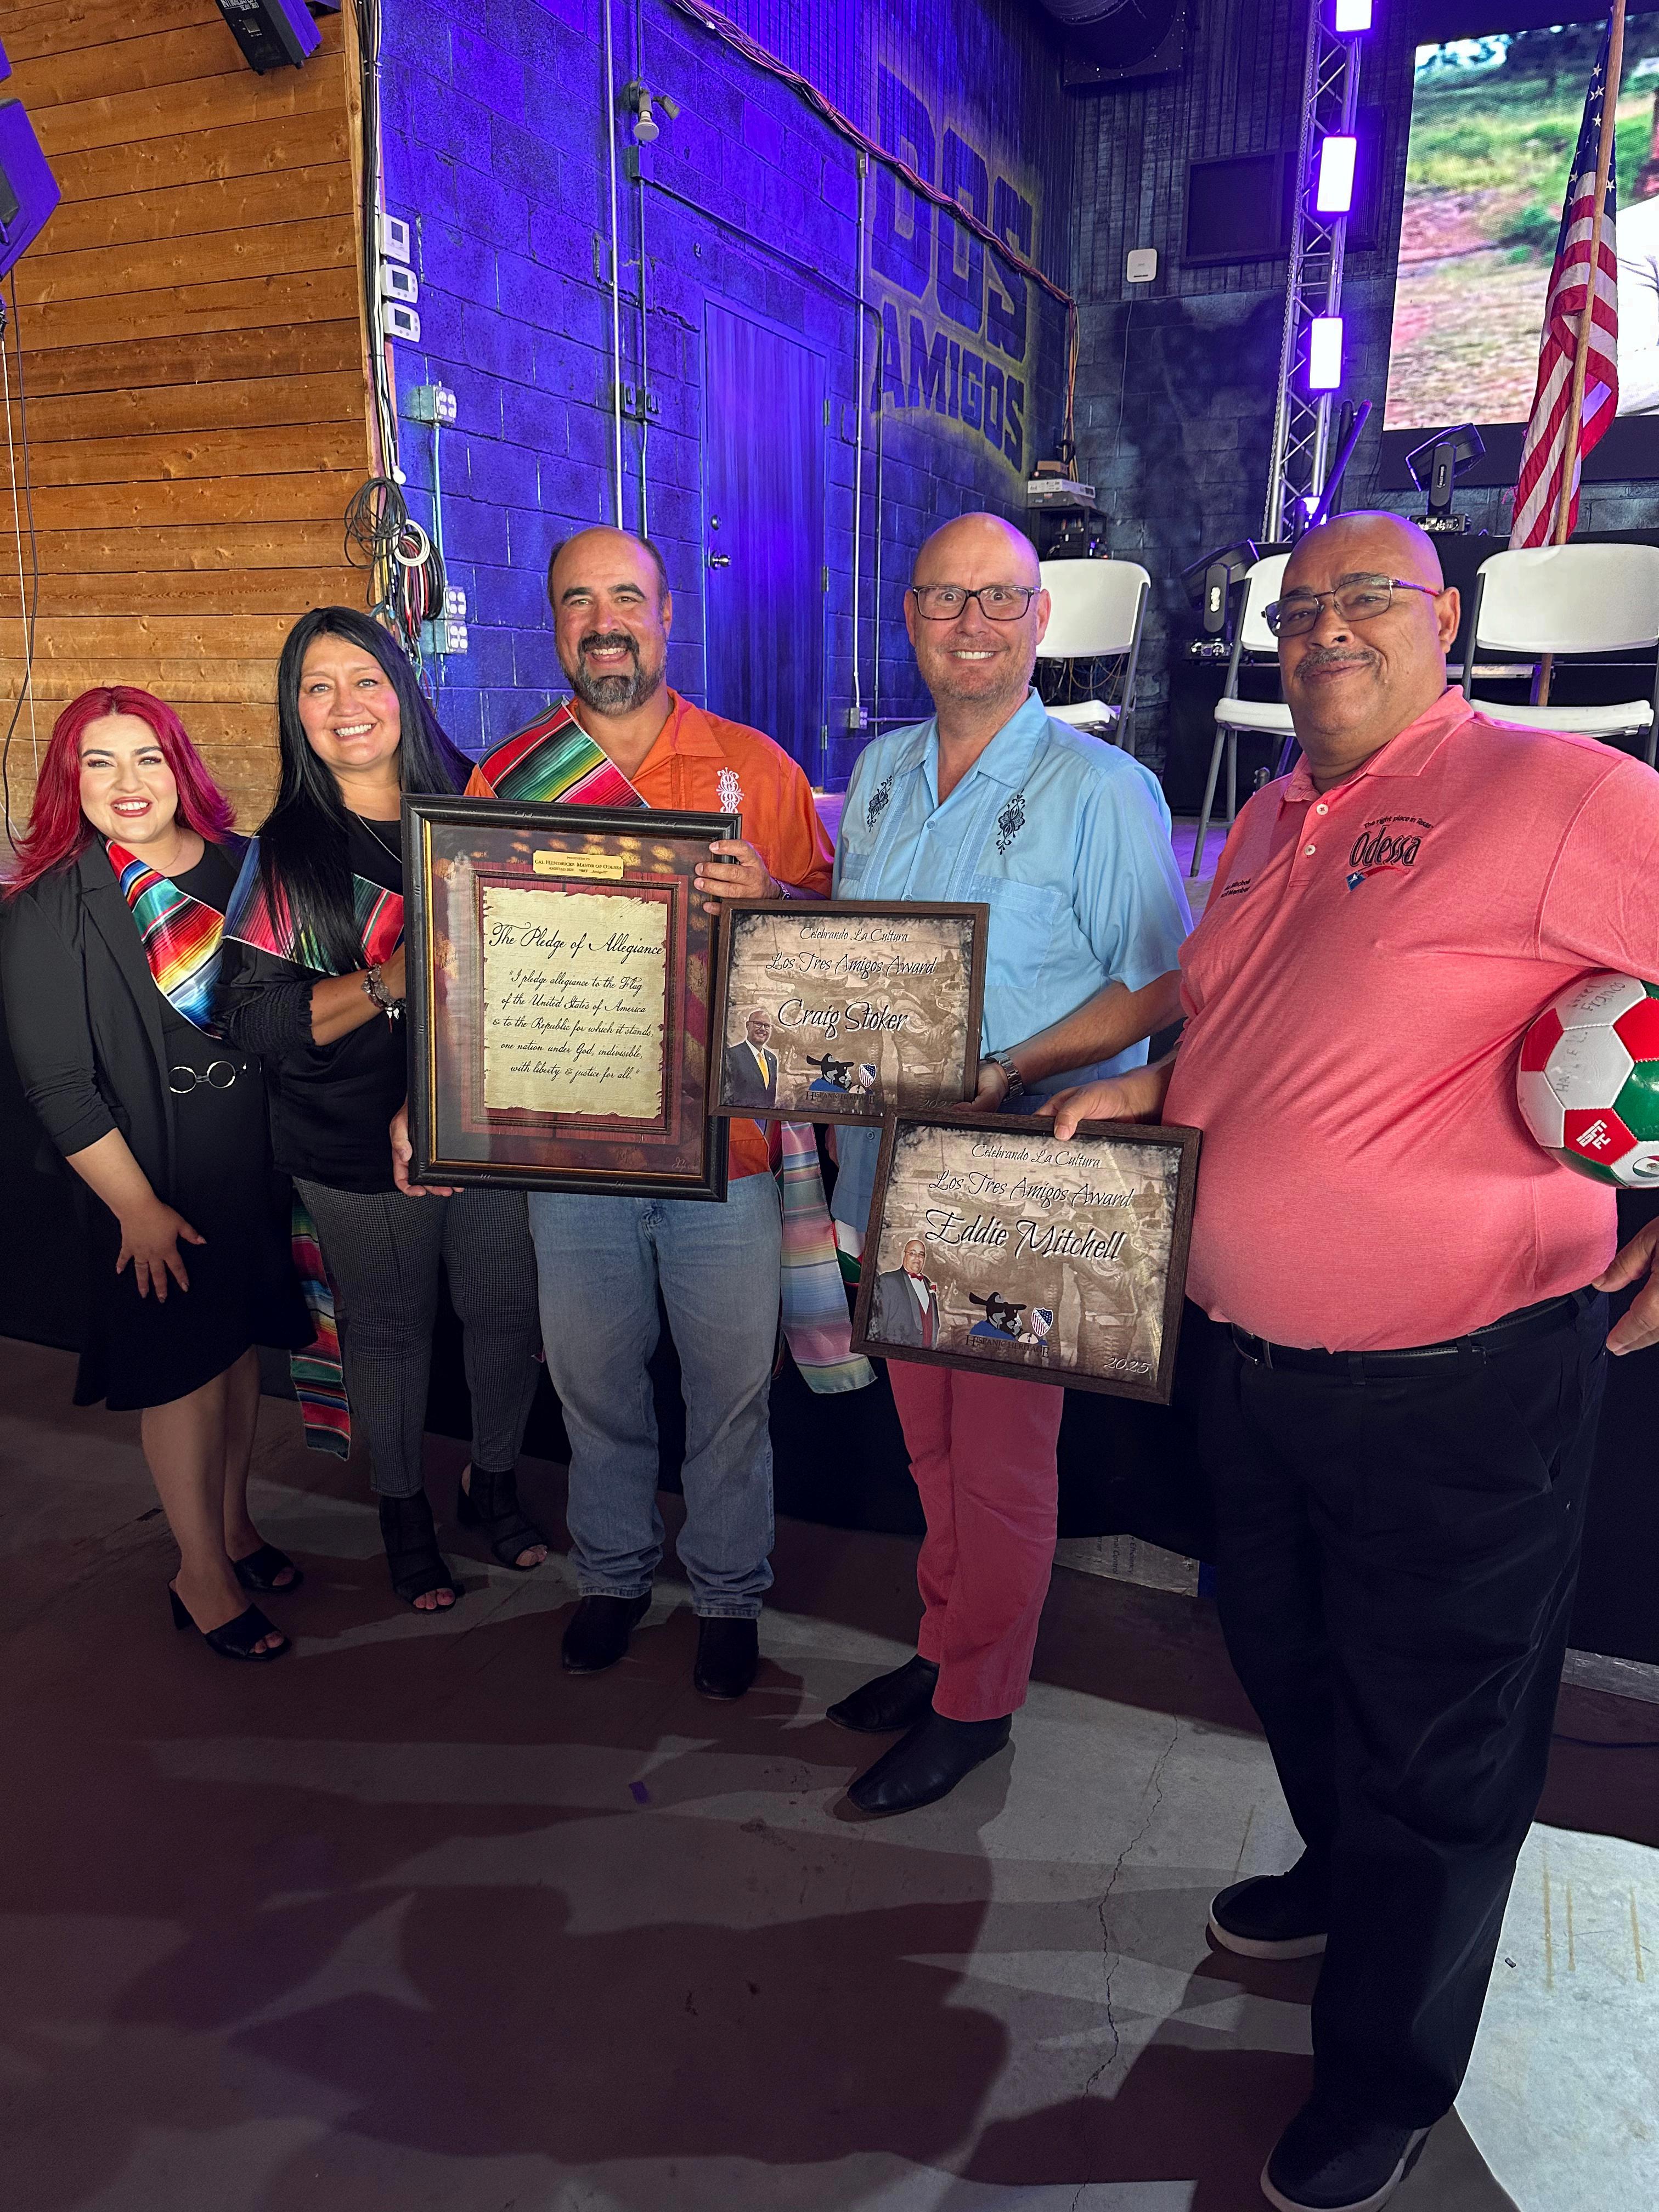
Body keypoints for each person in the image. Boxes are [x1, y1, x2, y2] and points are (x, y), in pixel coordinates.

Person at [1047, 510, 1659, 2212]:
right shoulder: (1268, 815)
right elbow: (1241, 1022)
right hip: (1250, 1366)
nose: (1324, 627)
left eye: (1367, 597)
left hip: (1464, 1380)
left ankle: (1386, 2073)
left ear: (1447, 622)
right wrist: (1149, 1089)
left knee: (1440, 1744)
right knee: (1291, 1657)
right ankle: (1344, 1872)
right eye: (1297, 606)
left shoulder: (1563, 798)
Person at [827, 513, 1189, 1815]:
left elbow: (1163, 987)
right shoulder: (879, 772)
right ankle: (944, 1649)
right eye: (945, 598)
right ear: (911, 617)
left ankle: (976, 1704)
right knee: (928, 1449)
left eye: (999, 599)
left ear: (1041, 622)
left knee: (998, 1465)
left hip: (1019, 1168)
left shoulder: (1105, 791)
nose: (970, 624)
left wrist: (1013, 1063)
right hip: (888, 1168)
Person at [445, 526, 834, 1699]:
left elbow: (831, 949)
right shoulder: (506, 779)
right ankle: (612, 1576)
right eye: (579, 601)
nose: (605, 621)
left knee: (731, 1395)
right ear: (554, 623)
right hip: (574, 1151)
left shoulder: (754, 768)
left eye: (627, 597)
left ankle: (727, 1594)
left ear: (668, 615)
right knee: (594, 1385)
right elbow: (473, 967)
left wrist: (771, 898)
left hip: (728, 1148)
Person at [215, 608, 546, 1615]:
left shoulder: (483, 804)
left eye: (364, 679)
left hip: (493, 1119)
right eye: (317, 688)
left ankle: (493, 1481)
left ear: (403, 688)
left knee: (505, 1314)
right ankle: (402, 1510)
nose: (345, 706)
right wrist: (388, 981)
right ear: (295, 713)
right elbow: (254, 1020)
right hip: (350, 1142)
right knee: (392, 1332)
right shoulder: (288, 855)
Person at [2, 688, 312, 1662]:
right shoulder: (49, 908)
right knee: (182, 1373)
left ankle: (235, 1528)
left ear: (181, 767)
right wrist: (136, 1208)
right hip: (144, 1180)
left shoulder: (241, 867)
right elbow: (58, 1084)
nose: (128, 782)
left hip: (247, 1168)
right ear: (70, 780)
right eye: (99, 761)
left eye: (148, 757)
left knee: (235, 1357)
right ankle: (199, 1573)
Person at [872, 1239, 939, 1348]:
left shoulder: (928, 1282)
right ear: (904, 1255)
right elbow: (877, 1324)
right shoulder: (887, 1281)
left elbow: (933, 1320)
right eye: (912, 1253)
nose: (917, 1258)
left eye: (921, 1255)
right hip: (897, 1351)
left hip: (928, 1352)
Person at [724, 1009, 778, 1108]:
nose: (763, 1029)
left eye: (767, 1026)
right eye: (758, 1024)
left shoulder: (772, 1059)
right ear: (748, 1026)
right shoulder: (731, 1055)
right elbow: (726, 1097)